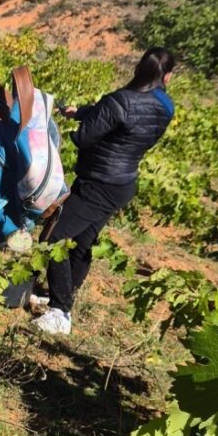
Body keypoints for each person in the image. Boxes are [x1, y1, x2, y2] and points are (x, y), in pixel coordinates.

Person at [32, 47, 176, 335]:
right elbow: (122, 123)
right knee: (83, 242)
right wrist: (86, 111)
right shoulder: (165, 106)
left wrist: (81, 124)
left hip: (97, 183)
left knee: (55, 237)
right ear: (167, 77)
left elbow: (84, 138)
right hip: (122, 184)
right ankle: (63, 296)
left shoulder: (119, 100)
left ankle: (60, 311)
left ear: (138, 67)